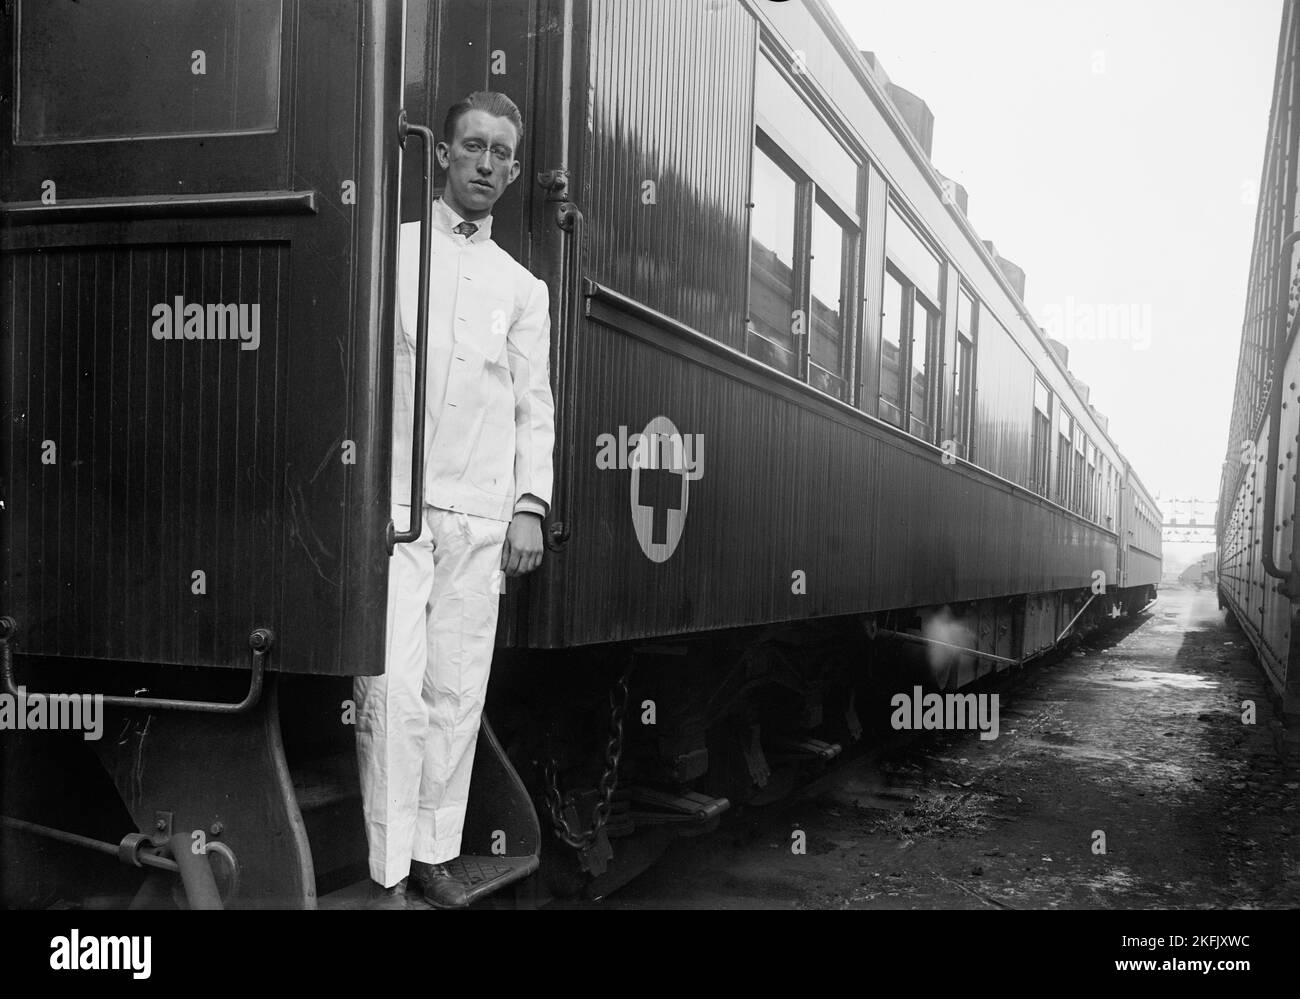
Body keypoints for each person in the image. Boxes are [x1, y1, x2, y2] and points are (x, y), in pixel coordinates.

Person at [354, 91, 554, 909]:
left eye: (501, 152)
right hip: (396, 510)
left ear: (512, 168)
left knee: (455, 690)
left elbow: (531, 402)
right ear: (440, 153)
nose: (485, 163)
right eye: (472, 145)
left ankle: (436, 848)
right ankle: (388, 867)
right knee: (391, 690)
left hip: (478, 516)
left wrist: (530, 505)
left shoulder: (524, 287)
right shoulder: (390, 250)